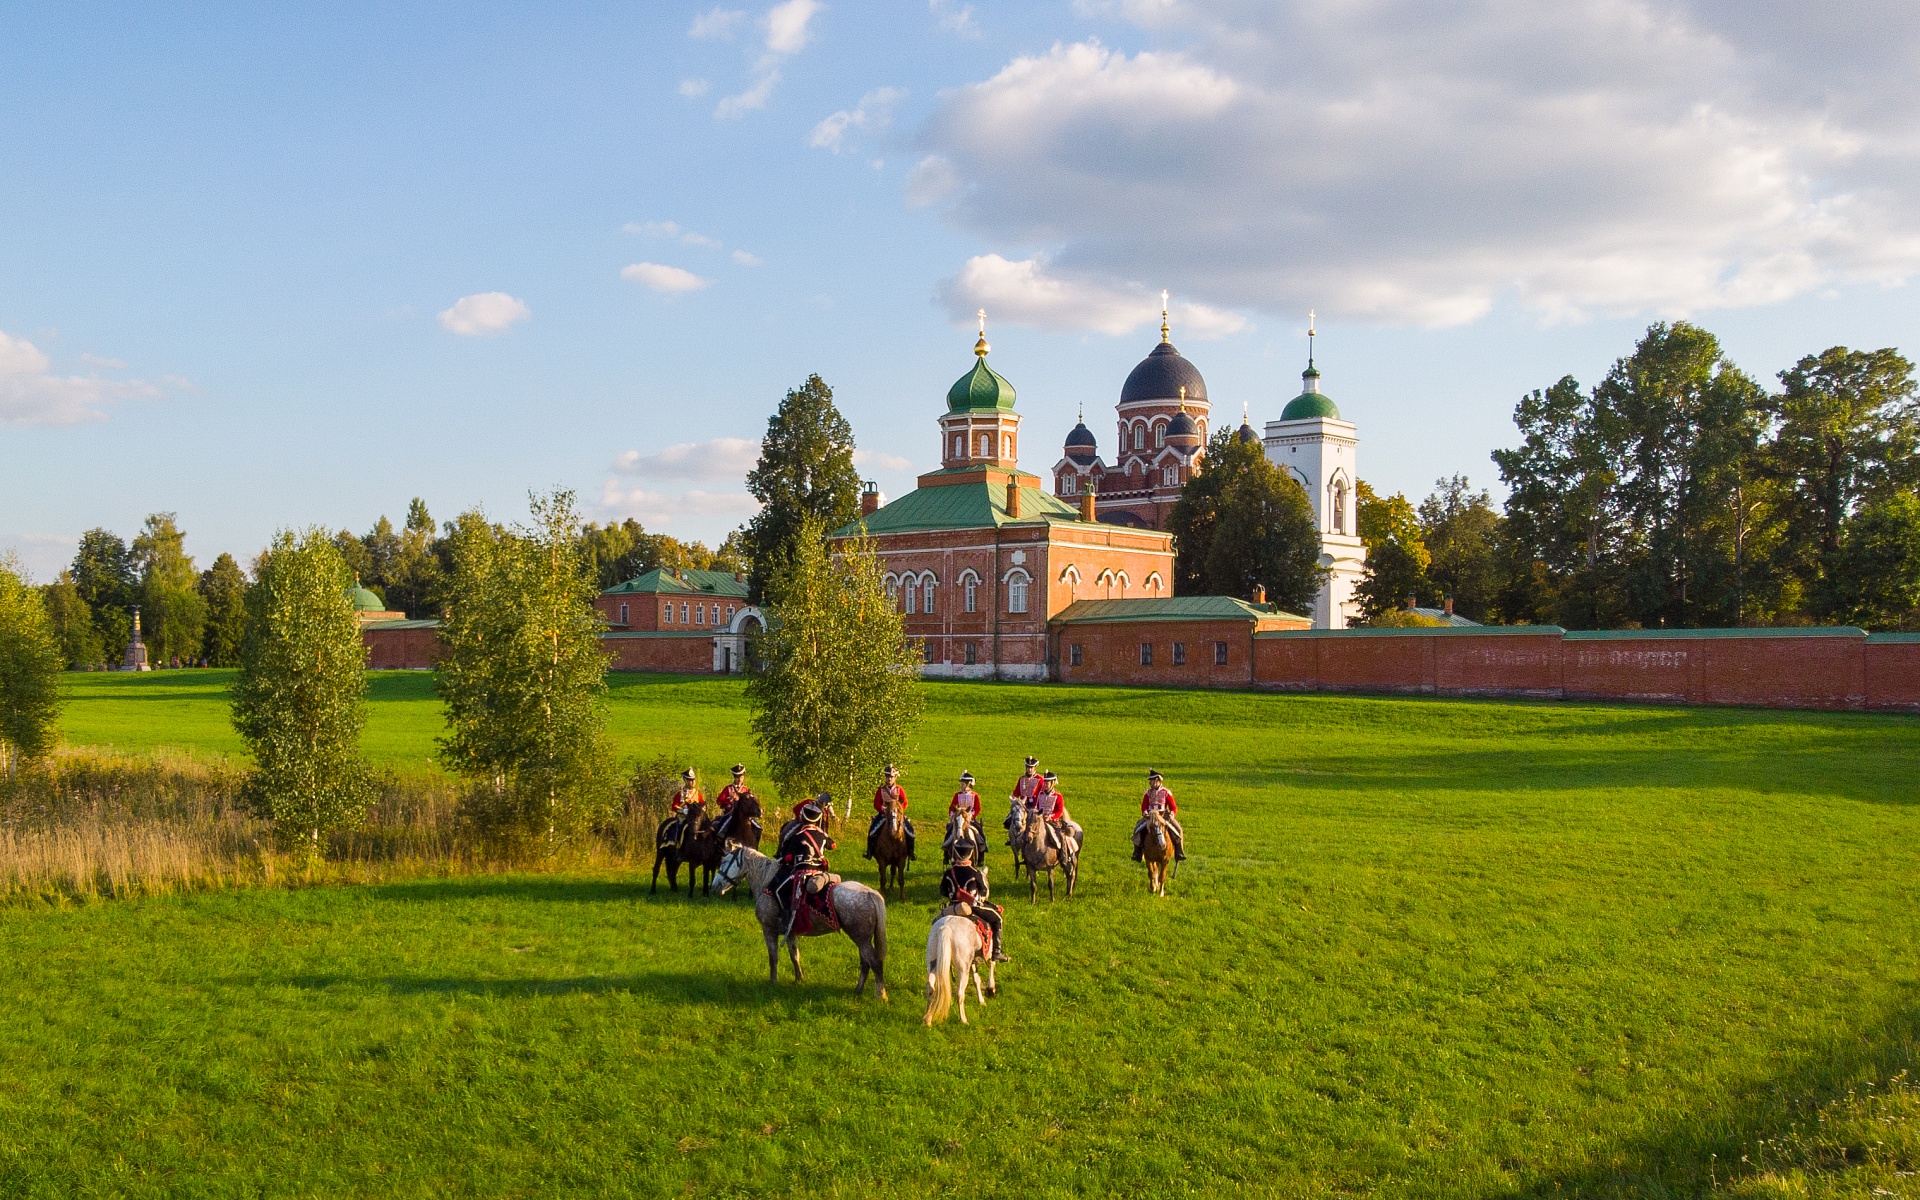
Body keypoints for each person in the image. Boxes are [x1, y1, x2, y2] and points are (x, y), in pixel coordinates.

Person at [765, 797, 836, 934]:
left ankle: (786, 921)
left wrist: (785, 858)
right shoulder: (822, 834)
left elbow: (789, 857)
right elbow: (833, 845)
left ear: (804, 817)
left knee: (778, 890)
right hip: (819, 871)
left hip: (803, 872)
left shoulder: (798, 836)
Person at [939, 841, 1009, 962]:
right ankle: (997, 952)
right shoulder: (976, 873)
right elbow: (984, 890)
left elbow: (942, 891)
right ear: (971, 853)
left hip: (953, 906)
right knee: (997, 919)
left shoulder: (948, 872)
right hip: (972, 906)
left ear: (955, 853)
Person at [1133, 769, 1186, 862]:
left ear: (1158, 780)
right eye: (1150, 781)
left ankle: (1179, 852)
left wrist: (1172, 815)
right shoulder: (1148, 792)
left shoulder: (1166, 792)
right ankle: (1137, 852)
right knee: (1137, 829)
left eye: (1152, 780)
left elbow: (1173, 807)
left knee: (1178, 830)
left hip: (1163, 815)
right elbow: (1144, 806)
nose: (1150, 782)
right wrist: (1145, 813)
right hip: (1150, 816)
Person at [865, 763, 915, 861]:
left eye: (891, 777)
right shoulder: (881, 790)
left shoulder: (899, 790)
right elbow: (876, 803)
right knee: (872, 831)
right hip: (883, 815)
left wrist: (899, 811)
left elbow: (905, 802)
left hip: (897, 815)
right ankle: (869, 851)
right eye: (887, 776)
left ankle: (911, 852)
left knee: (911, 831)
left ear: (895, 777)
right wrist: (882, 809)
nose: (889, 779)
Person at [1027, 770, 1079, 860]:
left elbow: (1059, 811)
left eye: (1047, 783)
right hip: (1040, 820)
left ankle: (1064, 858)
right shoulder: (1040, 794)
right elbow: (1037, 807)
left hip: (1053, 822)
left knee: (1061, 836)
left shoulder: (1058, 796)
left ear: (1052, 784)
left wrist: (1051, 816)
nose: (1045, 785)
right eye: (1045, 783)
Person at [714, 763, 759, 843]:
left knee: (758, 828)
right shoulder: (728, 788)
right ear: (734, 777)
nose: (740, 779)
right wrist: (729, 800)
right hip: (730, 814)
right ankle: (719, 844)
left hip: (745, 816)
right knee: (720, 828)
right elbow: (719, 800)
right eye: (738, 777)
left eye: (741, 777)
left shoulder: (746, 790)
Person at [948, 770, 984, 853]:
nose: (961, 785)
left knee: (979, 833)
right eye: (961, 784)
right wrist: (953, 815)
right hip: (958, 819)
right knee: (949, 832)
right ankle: (946, 851)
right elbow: (952, 807)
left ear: (968, 784)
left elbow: (978, 808)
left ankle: (981, 851)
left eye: (963, 784)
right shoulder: (957, 795)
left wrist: (971, 815)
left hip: (970, 820)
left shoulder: (975, 795)